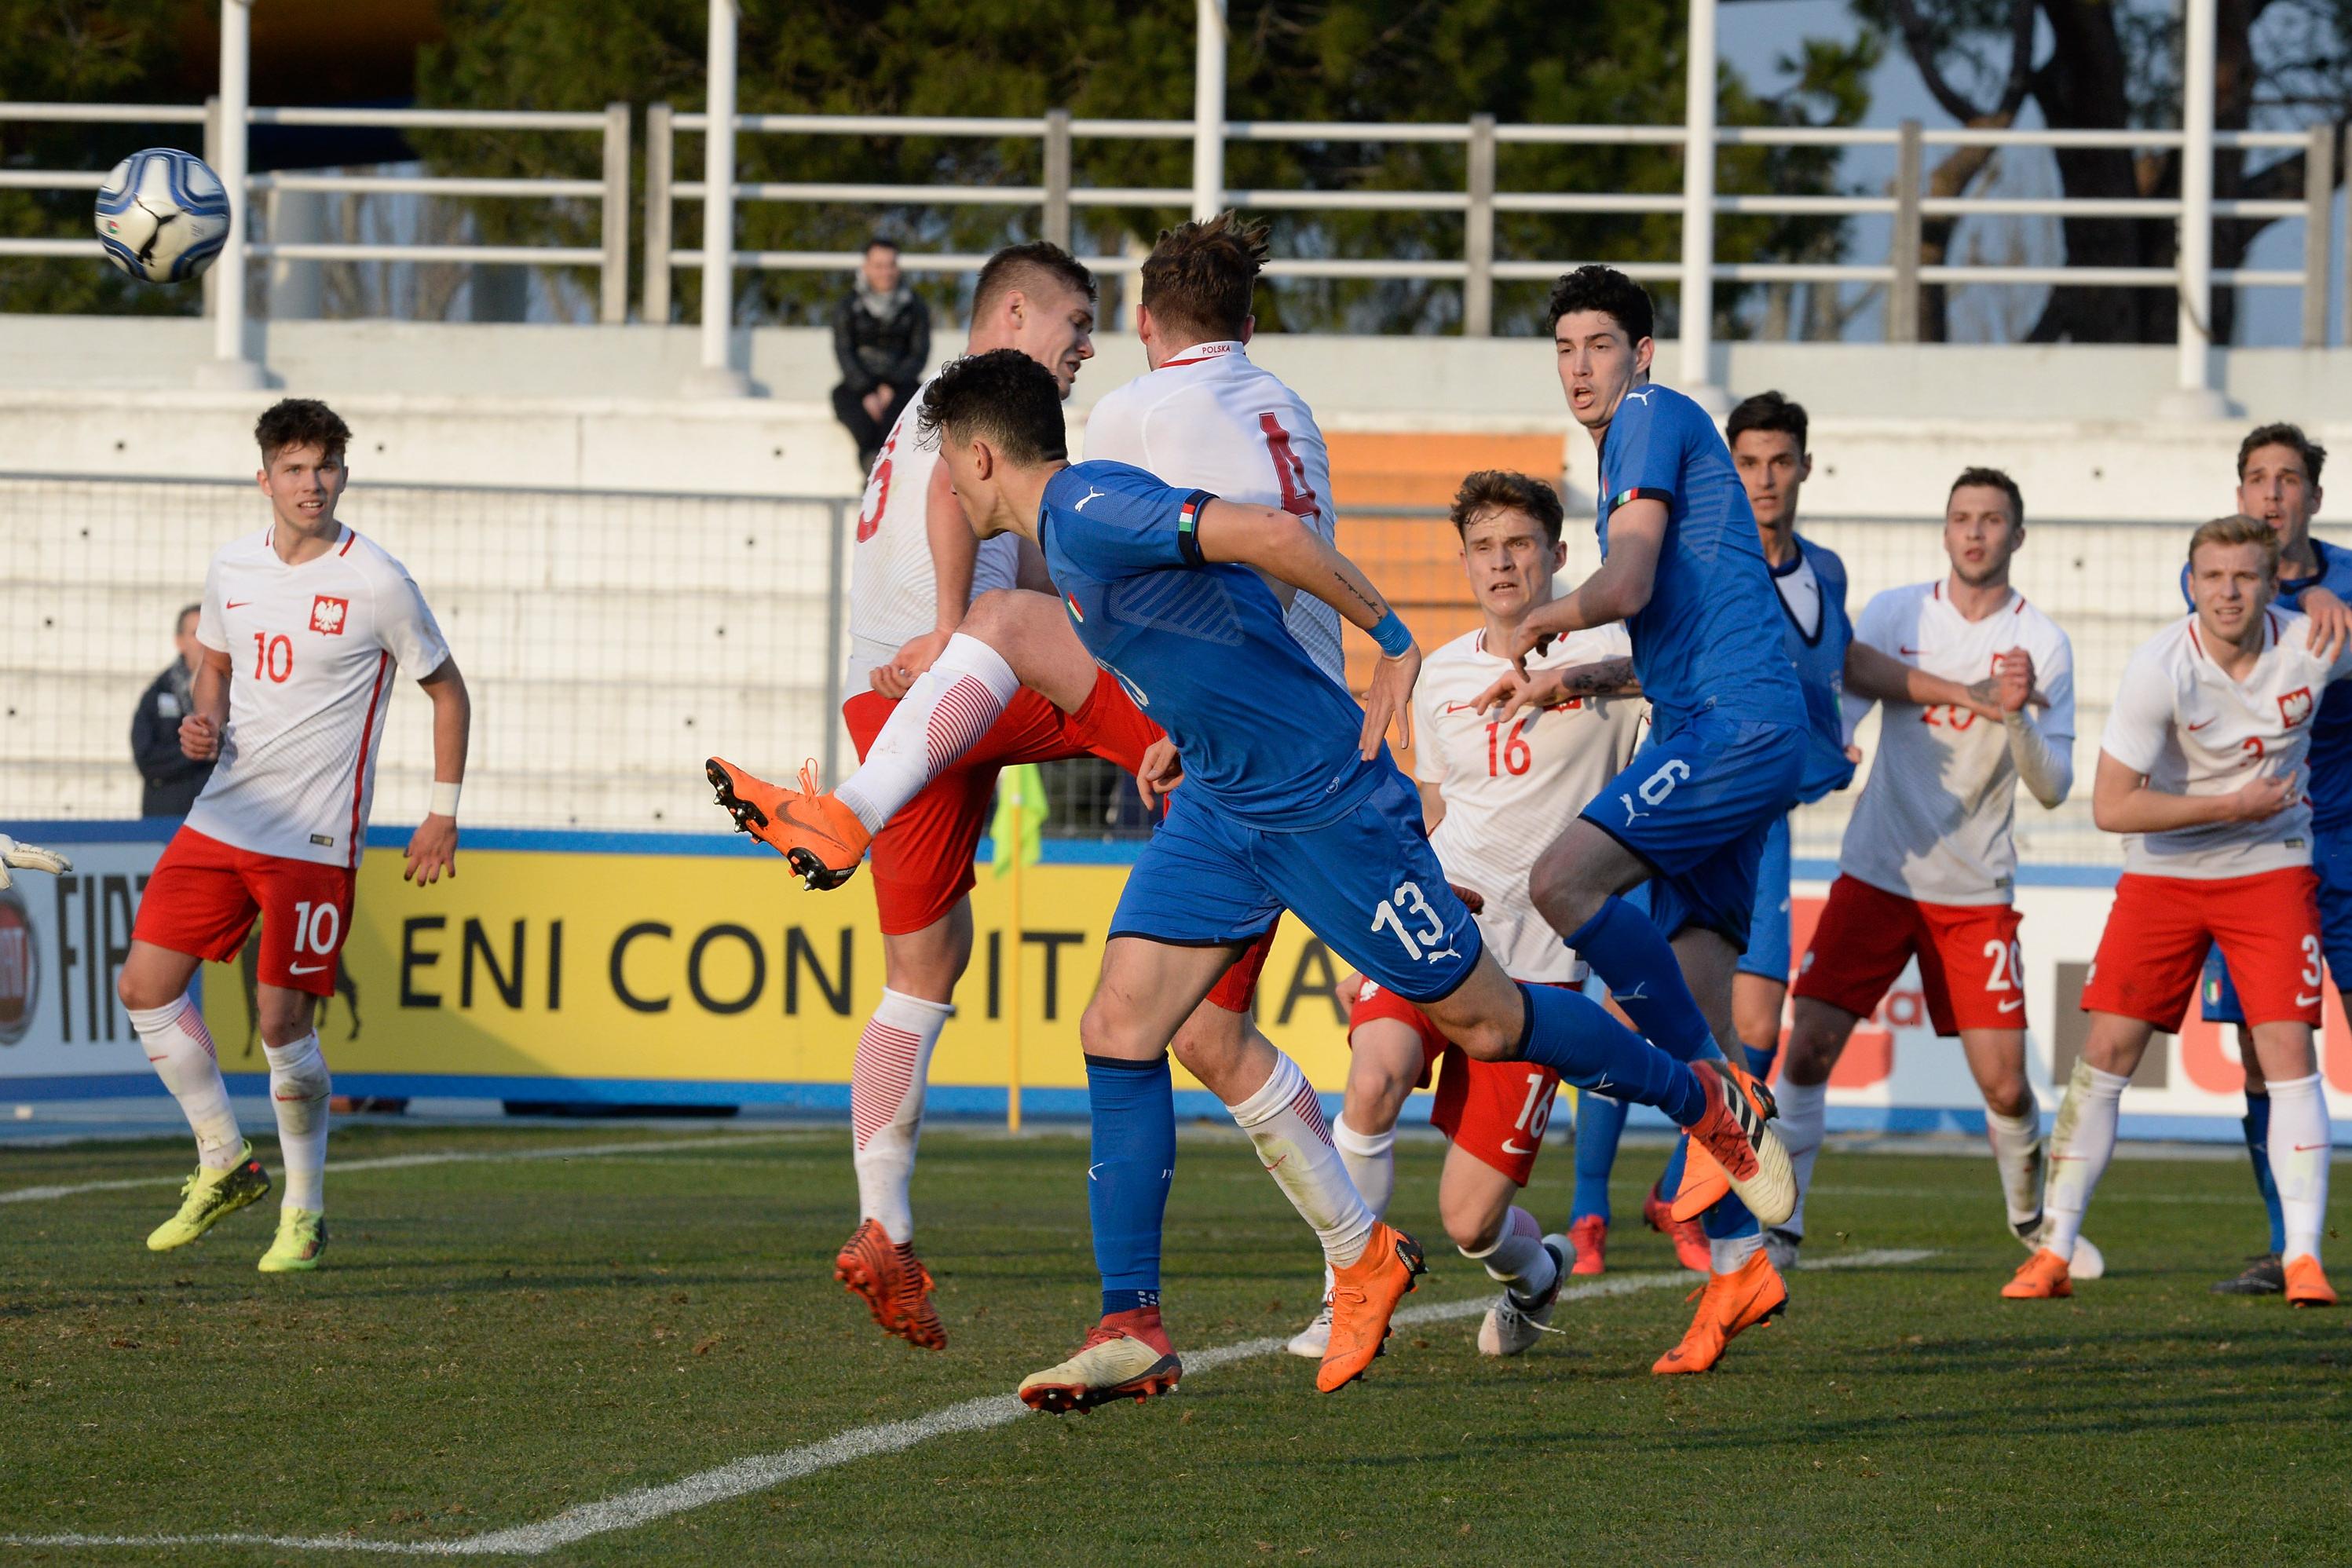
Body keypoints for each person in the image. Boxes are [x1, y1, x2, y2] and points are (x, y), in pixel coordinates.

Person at [725, 348, 1793, 1404]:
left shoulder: (1091, 504)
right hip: (1225, 803)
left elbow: (1269, 536)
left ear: (981, 457)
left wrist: (1386, 637)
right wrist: (1190, 725)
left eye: (950, 473)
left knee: (1485, 1021)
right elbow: (1217, 607)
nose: (948, 495)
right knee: (1118, 1026)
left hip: (1319, 802)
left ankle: (1698, 1096)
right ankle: (1132, 1321)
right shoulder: (1069, 531)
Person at [715, 221, 1388, 1381]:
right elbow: (1001, 544)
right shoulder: (1014, 405)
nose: (1083, 349)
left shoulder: (940, 408)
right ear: (1015, 318)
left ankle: (887, 1225)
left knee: (920, 978)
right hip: (976, 678)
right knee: (1205, 1001)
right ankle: (1348, 1248)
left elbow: (994, 525)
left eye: (1096, 325)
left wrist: (945, 626)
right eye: (1071, 326)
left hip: (899, 709)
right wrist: (951, 618)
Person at [1288, 470, 1644, 1361]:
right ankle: (1344, 1288)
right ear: (1463, 563)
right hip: (1433, 927)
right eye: (1484, 548)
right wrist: (1364, 925)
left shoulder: (1610, 652)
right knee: (1371, 1079)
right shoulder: (1441, 674)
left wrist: (1574, 677)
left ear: (1558, 556)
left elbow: (1689, 678)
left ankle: (1535, 1273)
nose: (1502, 562)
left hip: (1539, 962)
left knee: (1470, 1218)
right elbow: (1433, 814)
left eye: (1520, 544)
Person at [114, 398, 470, 1274]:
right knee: (144, 987)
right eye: (296, 468)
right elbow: (218, 666)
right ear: (264, 476)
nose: (313, 484)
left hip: (312, 836)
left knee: (281, 1022)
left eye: (327, 467)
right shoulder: (231, 566)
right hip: (222, 815)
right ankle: (225, 1159)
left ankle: (306, 1208)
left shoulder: (376, 579)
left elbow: (449, 691)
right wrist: (203, 721)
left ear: (344, 473)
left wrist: (442, 809)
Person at [2010, 514, 2347, 1307]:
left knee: (2286, 1048)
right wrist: (2231, 805)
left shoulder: (2312, 641)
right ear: (2189, 582)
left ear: (2271, 583)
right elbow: (2110, 806)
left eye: (2243, 576)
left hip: (2270, 871)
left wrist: (2336, 595)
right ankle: (2053, 1247)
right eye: (2212, 576)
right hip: (2164, 874)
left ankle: (2303, 1257)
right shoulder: (2159, 666)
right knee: (2107, 1051)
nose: (2227, 591)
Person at [1771, 467, 2090, 1283]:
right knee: (1805, 1049)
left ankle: (2031, 1218)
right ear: (1943, 531)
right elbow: (1848, 706)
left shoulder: (2041, 642)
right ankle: (1786, 1226)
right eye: (1961, 518)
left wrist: (2013, 711)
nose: (1975, 532)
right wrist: (1832, 750)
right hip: (1876, 870)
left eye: (1991, 520)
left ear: (2018, 536)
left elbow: (2052, 786)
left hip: (1972, 889)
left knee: (2005, 1083)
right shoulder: (1895, 613)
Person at [2185, 425, 2352, 1296]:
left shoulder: (2350, 577)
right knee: (2260, 1052)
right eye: (2257, 479)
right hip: (2250, 849)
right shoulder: (2213, 573)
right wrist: (2303, 614)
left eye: (2289, 479)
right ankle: (2290, 1244)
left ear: (2314, 499)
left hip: (2347, 840)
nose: (2272, 494)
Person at [831, 238, 931, 475]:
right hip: (857, 387)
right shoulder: (848, 306)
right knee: (850, 409)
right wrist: (866, 391)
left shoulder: (916, 306)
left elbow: (919, 352)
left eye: (891, 265)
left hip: (903, 385)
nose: (885, 272)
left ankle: (880, 470)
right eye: (879, 265)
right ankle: (875, 468)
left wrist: (892, 385)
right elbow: (844, 351)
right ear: (866, 267)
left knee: (903, 412)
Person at [130, 604, 215, 817]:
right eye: (196, 634)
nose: (204, 642)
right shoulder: (158, 692)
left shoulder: (236, 692)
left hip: (217, 822)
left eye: (209, 633)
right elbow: (147, 759)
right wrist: (198, 750)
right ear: (179, 642)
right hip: (166, 818)